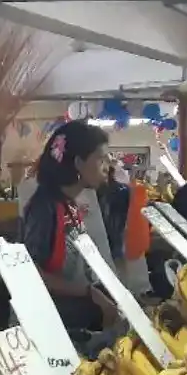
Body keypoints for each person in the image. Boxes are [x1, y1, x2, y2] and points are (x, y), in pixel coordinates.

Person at [18, 120, 117, 332]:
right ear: (79, 163)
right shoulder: (44, 208)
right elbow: (31, 273)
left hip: (70, 321)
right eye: (100, 159)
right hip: (49, 328)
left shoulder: (68, 203)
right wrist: (89, 292)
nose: (106, 167)